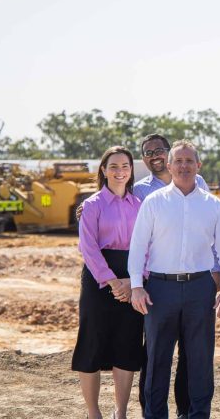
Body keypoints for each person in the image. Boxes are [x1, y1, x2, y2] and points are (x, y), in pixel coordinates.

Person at [128, 140, 220, 419]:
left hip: (200, 288)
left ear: (198, 165)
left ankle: (198, 414)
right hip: (159, 290)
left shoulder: (213, 205)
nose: (184, 166)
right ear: (169, 165)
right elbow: (138, 246)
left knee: (200, 359)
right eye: (178, 161)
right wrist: (137, 287)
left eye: (189, 161)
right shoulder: (154, 202)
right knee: (157, 360)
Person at [135, 134, 211, 418]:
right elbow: (135, 234)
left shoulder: (198, 183)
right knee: (155, 353)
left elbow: (208, 231)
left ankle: (185, 410)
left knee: (192, 353)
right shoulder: (139, 191)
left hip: (194, 281)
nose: (154, 155)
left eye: (159, 150)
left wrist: (215, 272)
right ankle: (152, 412)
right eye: (148, 152)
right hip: (153, 282)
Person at [72, 146, 144, 419]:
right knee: (92, 342)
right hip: (99, 280)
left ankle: (120, 412)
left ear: (131, 170)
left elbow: (147, 245)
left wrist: (133, 281)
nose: (119, 171)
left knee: (127, 343)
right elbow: (88, 248)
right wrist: (113, 282)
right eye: (113, 166)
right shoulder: (92, 205)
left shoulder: (140, 205)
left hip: (132, 278)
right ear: (103, 170)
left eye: (125, 166)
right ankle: (94, 413)